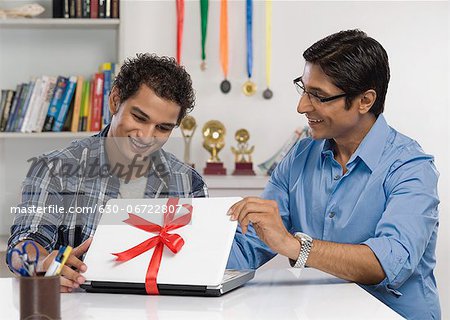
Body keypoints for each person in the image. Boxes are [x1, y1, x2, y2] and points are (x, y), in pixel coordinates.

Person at [227, 30, 440, 319]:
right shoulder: (300, 156)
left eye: (319, 96)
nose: (302, 106)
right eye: (303, 89)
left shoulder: (411, 167)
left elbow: (390, 262)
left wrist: (294, 246)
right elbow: (252, 244)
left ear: (365, 101)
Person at [8, 53, 208, 292]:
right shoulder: (54, 170)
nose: (146, 136)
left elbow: (199, 262)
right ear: (115, 100)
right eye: (139, 117)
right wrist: (41, 263)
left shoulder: (189, 183)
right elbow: (23, 246)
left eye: (162, 128)